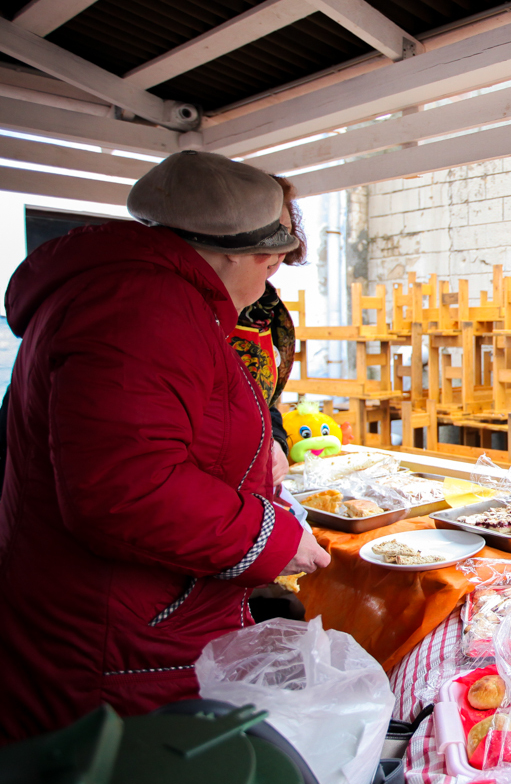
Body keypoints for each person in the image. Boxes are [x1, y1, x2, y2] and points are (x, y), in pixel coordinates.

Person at [0, 150, 330, 744]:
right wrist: (273, 538)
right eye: (270, 263)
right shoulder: (142, 307)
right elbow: (125, 489)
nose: (268, 279)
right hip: (111, 639)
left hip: (120, 623)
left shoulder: (144, 296)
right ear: (239, 252)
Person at [228, 175, 306, 489]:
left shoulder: (266, 308)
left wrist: (276, 442)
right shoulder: (183, 311)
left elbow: (265, 402)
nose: (275, 250)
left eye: (284, 233)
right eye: (265, 234)